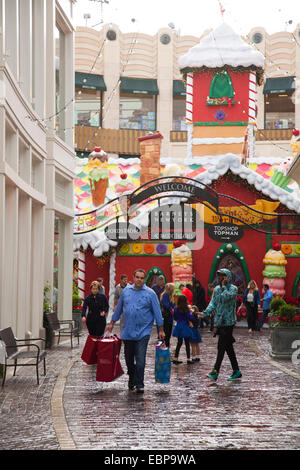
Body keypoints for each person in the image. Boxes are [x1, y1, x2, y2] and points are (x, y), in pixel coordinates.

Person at [106, 269, 165, 394]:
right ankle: (132, 377)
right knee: (128, 359)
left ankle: (139, 384)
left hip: (143, 332)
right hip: (127, 331)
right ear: (133, 277)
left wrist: (161, 329)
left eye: (142, 278)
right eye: (137, 277)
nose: (139, 280)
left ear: (144, 279)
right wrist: (112, 322)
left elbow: (157, 312)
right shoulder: (126, 291)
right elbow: (119, 308)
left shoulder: (150, 293)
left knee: (140, 359)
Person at [202, 269, 242, 381]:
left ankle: (215, 371)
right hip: (220, 321)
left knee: (221, 347)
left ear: (227, 277)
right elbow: (213, 303)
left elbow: (227, 297)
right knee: (228, 348)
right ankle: (236, 371)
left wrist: (224, 286)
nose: (220, 278)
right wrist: (205, 313)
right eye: (219, 276)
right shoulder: (217, 289)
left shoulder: (233, 289)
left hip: (228, 322)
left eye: (223, 276)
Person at [172, 295, 194, 365]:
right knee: (187, 343)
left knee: (179, 343)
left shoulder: (176, 308)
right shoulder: (186, 308)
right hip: (185, 326)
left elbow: (175, 318)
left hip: (179, 326)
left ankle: (176, 358)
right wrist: (191, 313)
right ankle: (188, 359)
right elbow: (190, 317)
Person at [160, 283, 175, 349]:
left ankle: (166, 348)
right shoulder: (166, 295)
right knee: (167, 334)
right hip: (167, 317)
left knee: (168, 334)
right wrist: (171, 309)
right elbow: (166, 304)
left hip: (169, 317)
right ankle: (165, 349)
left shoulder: (168, 295)